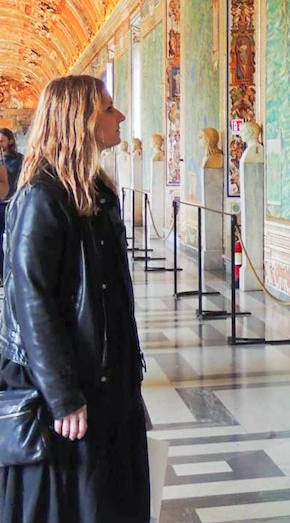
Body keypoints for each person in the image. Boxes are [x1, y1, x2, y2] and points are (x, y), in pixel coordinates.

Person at [0, 75, 150, 521]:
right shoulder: (42, 197)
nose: (119, 116)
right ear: (79, 120)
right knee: (73, 500)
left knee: (114, 493)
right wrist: (63, 394)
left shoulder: (95, 193)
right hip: (66, 383)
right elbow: (32, 303)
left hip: (106, 376)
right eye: (107, 108)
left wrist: (127, 376)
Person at [0, 127, 23, 272]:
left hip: (13, 202)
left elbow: (12, 179)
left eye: (1, 141)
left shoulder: (17, 160)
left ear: (10, 141)